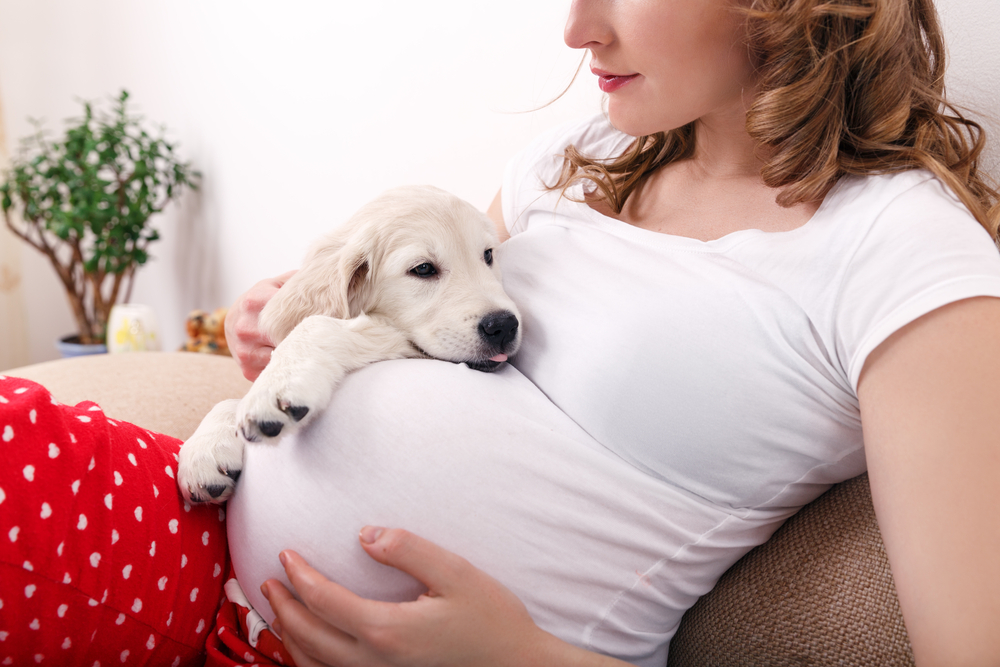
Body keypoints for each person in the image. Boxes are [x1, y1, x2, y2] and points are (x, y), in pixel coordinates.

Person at [1, 0, 998, 666]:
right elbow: (438, 327)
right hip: (203, 553)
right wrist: (304, 344)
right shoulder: (589, 149)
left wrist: (526, 659)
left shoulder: (906, 257)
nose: (576, 29)